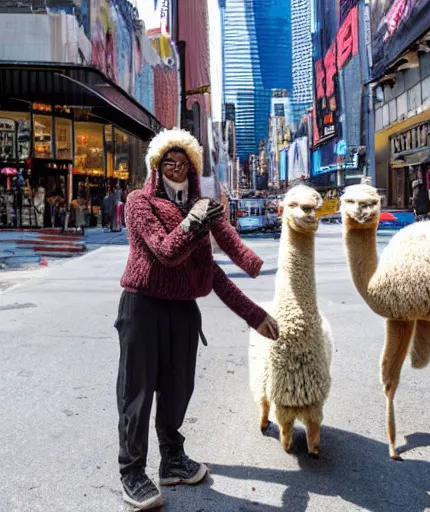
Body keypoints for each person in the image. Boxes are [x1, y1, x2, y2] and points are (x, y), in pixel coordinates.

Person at [115, 128, 279, 510]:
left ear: (192, 170)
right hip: (143, 308)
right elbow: (165, 252)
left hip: (183, 310)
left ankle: (171, 460)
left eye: (183, 164)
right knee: (136, 394)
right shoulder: (140, 203)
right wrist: (193, 222)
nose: (176, 169)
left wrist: (255, 316)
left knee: (178, 389)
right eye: (169, 163)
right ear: (156, 168)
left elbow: (213, 275)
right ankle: (132, 473)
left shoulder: (200, 208)